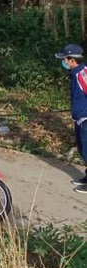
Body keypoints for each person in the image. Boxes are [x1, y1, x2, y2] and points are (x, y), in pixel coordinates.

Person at [55, 44, 87, 192]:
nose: (64, 62)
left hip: (86, 119)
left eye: (65, 59)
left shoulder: (83, 75)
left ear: (72, 60)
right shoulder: (75, 74)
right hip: (79, 118)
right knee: (82, 149)